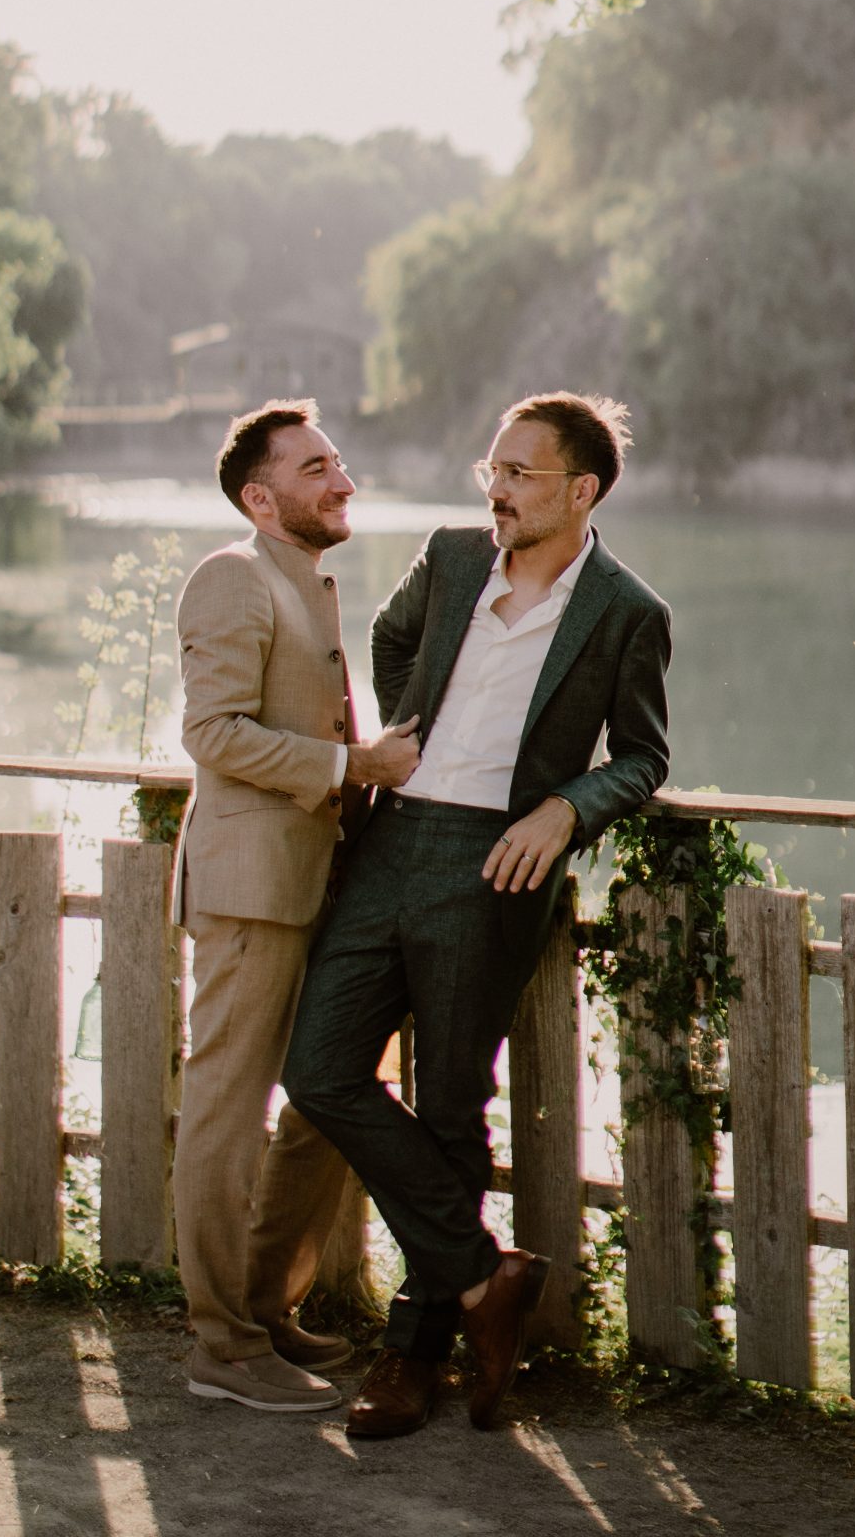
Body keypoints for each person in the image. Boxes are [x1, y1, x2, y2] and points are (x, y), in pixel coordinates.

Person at [283, 389, 671, 1439]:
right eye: (490, 470)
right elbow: (389, 633)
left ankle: (412, 1356)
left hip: (495, 865)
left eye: (517, 474)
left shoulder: (626, 612)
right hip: (391, 840)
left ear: (579, 491)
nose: (495, 490)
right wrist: (407, 731)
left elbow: (642, 756)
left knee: (451, 1108)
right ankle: (480, 1277)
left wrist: (565, 807)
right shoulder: (453, 557)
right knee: (318, 1069)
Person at [171, 398, 423, 1414]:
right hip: (250, 893)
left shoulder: (302, 581)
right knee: (227, 1116)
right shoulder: (231, 577)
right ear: (260, 497)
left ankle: (264, 1309)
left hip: (313, 885)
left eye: (339, 461)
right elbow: (212, 732)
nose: (343, 480)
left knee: (325, 1092)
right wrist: (353, 763)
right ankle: (222, 1348)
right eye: (316, 467)